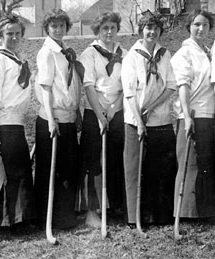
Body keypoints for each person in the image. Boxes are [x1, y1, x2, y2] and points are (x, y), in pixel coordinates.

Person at [121, 10, 177, 227]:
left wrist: (152, 107)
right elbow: (129, 93)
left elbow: (171, 85)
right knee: (136, 169)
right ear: (141, 31)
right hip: (136, 121)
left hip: (161, 119)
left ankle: (160, 215)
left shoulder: (165, 55)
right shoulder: (132, 57)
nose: (152, 32)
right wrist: (140, 120)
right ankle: (136, 217)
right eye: (148, 28)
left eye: (156, 28)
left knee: (159, 169)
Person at [34, 9, 83, 229]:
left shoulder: (65, 50)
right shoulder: (47, 52)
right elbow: (45, 87)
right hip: (52, 119)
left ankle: (65, 215)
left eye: (62, 26)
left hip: (68, 118)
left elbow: (72, 86)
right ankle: (48, 217)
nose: (58, 29)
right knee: (50, 169)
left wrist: (77, 113)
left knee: (68, 167)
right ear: (47, 28)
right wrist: (52, 120)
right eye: (54, 26)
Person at [78, 11, 127, 227]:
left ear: (117, 30)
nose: (109, 32)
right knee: (93, 162)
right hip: (94, 113)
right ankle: (91, 211)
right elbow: (88, 86)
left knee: (115, 159)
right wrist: (100, 115)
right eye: (104, 28)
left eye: (113, 28)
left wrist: (115, 110)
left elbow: (127, 85)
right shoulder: (89, 54)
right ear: (98, 30)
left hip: (117, 111)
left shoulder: (123, 53)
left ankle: (114, 206)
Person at [171, 9, 215, 219]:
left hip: (208, 113)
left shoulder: (207, 51)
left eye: (205, 25)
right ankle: (186, 212)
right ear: (189, 26)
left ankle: (203, 210)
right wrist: (187, 115)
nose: (201, 28)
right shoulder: (184, 53)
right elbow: (183, 86)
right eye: (196, 24)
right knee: (189, 162)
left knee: (205, 162)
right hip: (192, 113)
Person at [0, 14, 36, 227]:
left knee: (21, 167)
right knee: (13, 170)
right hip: (4, 121)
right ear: (0, 35)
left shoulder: (17, 58)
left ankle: (23, 217)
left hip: (17, 122)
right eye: (9, 33)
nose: (13, 37)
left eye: (17, 33)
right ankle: (11, 220)